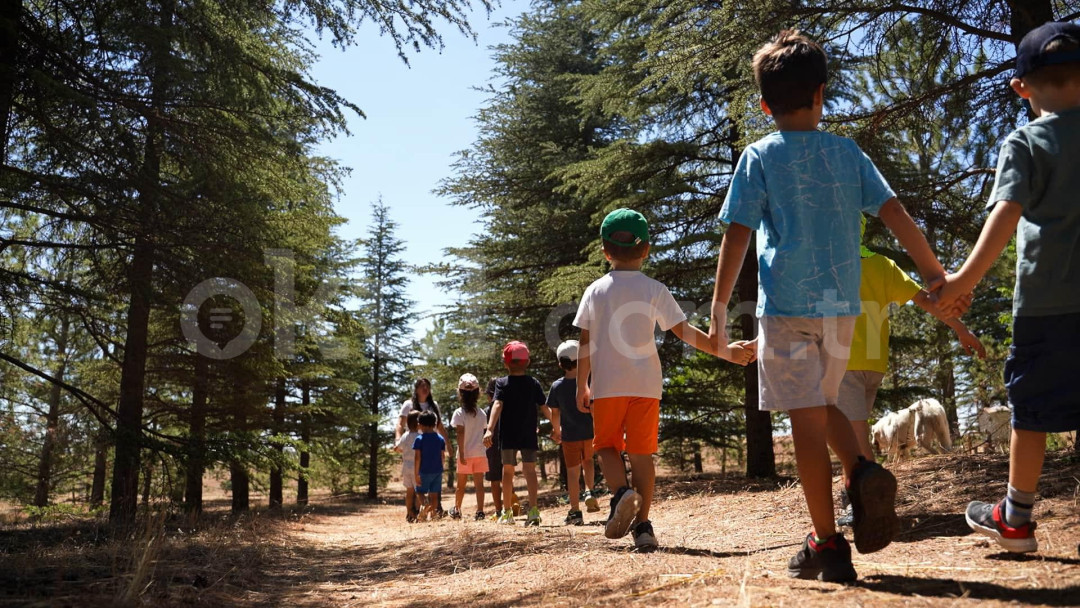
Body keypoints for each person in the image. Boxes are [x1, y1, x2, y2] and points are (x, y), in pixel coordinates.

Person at [707, 31, 947, 582]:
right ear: (821, 94)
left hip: (786, 306)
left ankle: (827, 545)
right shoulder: (846, 151)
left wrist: (720, 309)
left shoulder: (759, 155)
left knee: (806, 423)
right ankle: (862, 467)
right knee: (823, 401)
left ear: (765, 105)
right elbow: (894, 212)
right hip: (842, 306)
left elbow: (737, 235)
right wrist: (934, 274)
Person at [935, 21, 1080, 554]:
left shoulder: (1026, 140)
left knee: (1032, 412)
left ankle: (1016, 518)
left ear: (1021, 86)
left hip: (1046, 305)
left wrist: (959, 282)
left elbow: (1007, 213)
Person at [574, 208, 756, 552]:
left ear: (604, 250)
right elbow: (685, 333)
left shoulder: (595, 291)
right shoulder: (655, 289)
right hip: (646, 385)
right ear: (646, 250)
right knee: (642, 455)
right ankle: (643, 527)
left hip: (608, 386)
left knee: (606, 447)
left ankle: (622, 494)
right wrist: (727, 352)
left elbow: (586, 343)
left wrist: (583, 384)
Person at [834, 216, 987, 525]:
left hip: (842, 361)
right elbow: (928, 301)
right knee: (848, 436)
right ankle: (852, 497)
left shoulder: (829, 267)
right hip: (873, 364)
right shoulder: (883, 266)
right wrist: (960, 329)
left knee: (855, 439)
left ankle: (870, 504)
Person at [483, 341, 553, 527]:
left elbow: (497, 405)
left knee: (507, 471)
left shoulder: (502, 383)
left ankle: (507, 513)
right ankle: (533, 511)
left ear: (506, 363)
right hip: (528, 433)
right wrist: (557, 426)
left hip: (508, 435)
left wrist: (490, 428)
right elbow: (544, 406)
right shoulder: (533, 383)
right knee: (530, 470)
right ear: (527, 362)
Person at [546, 339, 600, 525]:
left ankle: (575, 512)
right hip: (590, 433)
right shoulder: (590, 381)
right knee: (589, 462)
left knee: (572, 473)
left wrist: (556, 430)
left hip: (570, 436)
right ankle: (590, 491)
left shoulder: (557, 386)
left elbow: (555, 413)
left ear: (560, 363)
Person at [450, 373, 489, 521]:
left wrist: (461, 453)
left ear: (460, 393)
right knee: (479, 484)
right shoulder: (482, 413)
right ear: (478, 393)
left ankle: (457, 510)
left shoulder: (459, 413)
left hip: (465, 454)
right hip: (480, 453)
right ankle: (480, 511)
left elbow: (460, 433)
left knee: (461, 485)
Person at [413, 410, 446, 522]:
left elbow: (417, 458)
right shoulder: (440, 439)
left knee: (420, 492)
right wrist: (441, 468)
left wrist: (416, 473)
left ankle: (425, 504)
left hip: (424, 470)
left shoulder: (419, 439)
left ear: (421, 425)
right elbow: (443, 456)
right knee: (435, 494)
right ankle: (433, 515)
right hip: (437, 470)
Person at [393, 411, 422, 522]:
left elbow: (396, 448)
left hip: (406, 467)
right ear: (418, 423)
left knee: (409, 491)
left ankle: (409, 513)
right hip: (417, 468)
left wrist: (403, 451)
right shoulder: (420, 437)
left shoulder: (405, 436)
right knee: (418, 491)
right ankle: (417, 513)